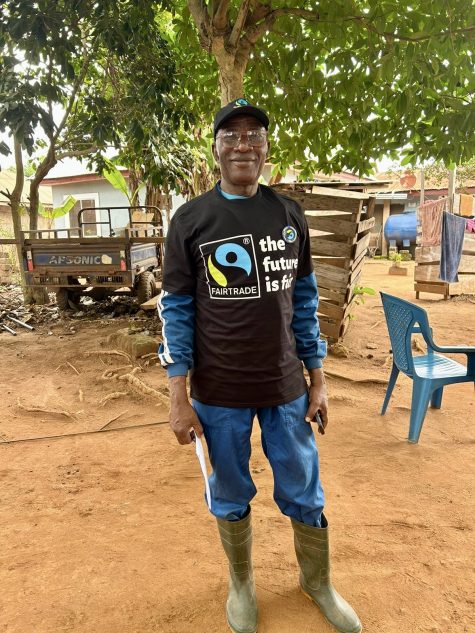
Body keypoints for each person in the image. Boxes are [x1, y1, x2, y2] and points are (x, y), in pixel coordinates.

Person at [158, 98, 362, 633]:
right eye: (231, 135)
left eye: (254, 134)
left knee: (302, 485)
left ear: (267, 148)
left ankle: (317, 582)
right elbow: (176, 309)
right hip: (217, 390)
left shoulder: (288, 213)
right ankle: (242, 584)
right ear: (216, 149)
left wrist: (318, 381)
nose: (243, 143)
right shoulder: (191, 219)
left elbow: (305, 300)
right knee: (229, 489)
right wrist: (178, 396)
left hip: (286, 385)